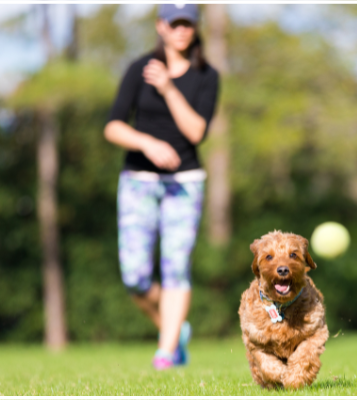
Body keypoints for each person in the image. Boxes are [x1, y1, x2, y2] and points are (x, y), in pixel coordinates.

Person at [104, 4, 219, 370]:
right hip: (138, 181)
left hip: (184, 183)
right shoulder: (139, 69)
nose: (182, 30)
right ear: (161, 26)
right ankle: (173, 330)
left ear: (195, 28)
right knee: (135, 276)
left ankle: (166, 352)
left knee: (176, 268)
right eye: (175, 23)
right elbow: (113, 126)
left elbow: (197, 132)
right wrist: (146, 143)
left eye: (188, 23)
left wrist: (169, 89)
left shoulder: (206, 75)